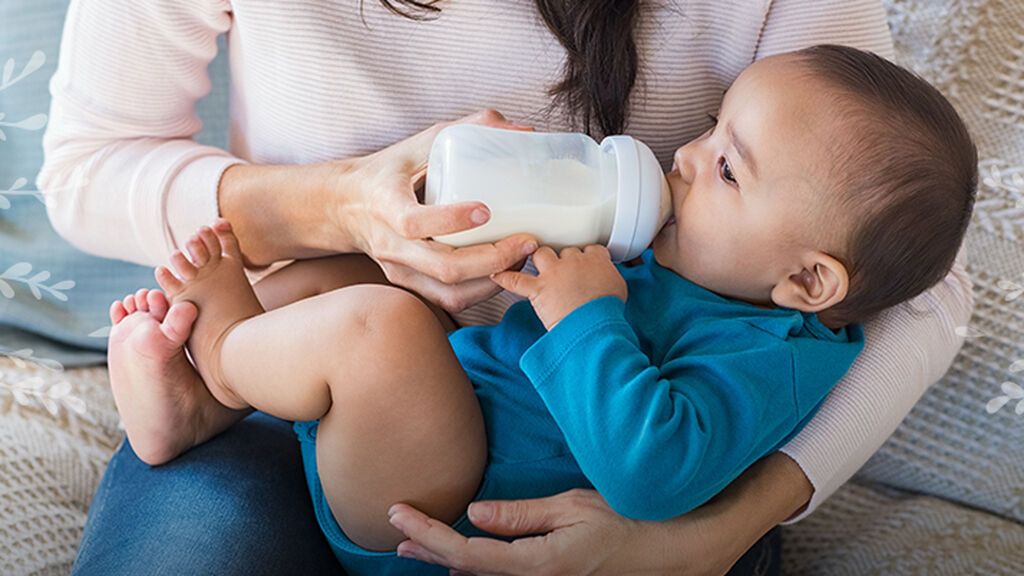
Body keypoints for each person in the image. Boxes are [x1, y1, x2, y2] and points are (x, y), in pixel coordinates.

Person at [38, 1, 975, 574]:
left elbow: (913, 281)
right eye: (710, 135)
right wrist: (336, 205)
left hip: (492, 485)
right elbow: (85, 168)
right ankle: (211, 390)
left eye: (725, 163)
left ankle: (221, 363)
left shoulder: (755, 309)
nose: (682, 157)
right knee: (343, 282)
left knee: (373, 327)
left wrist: (717, 531)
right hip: (362, 405)